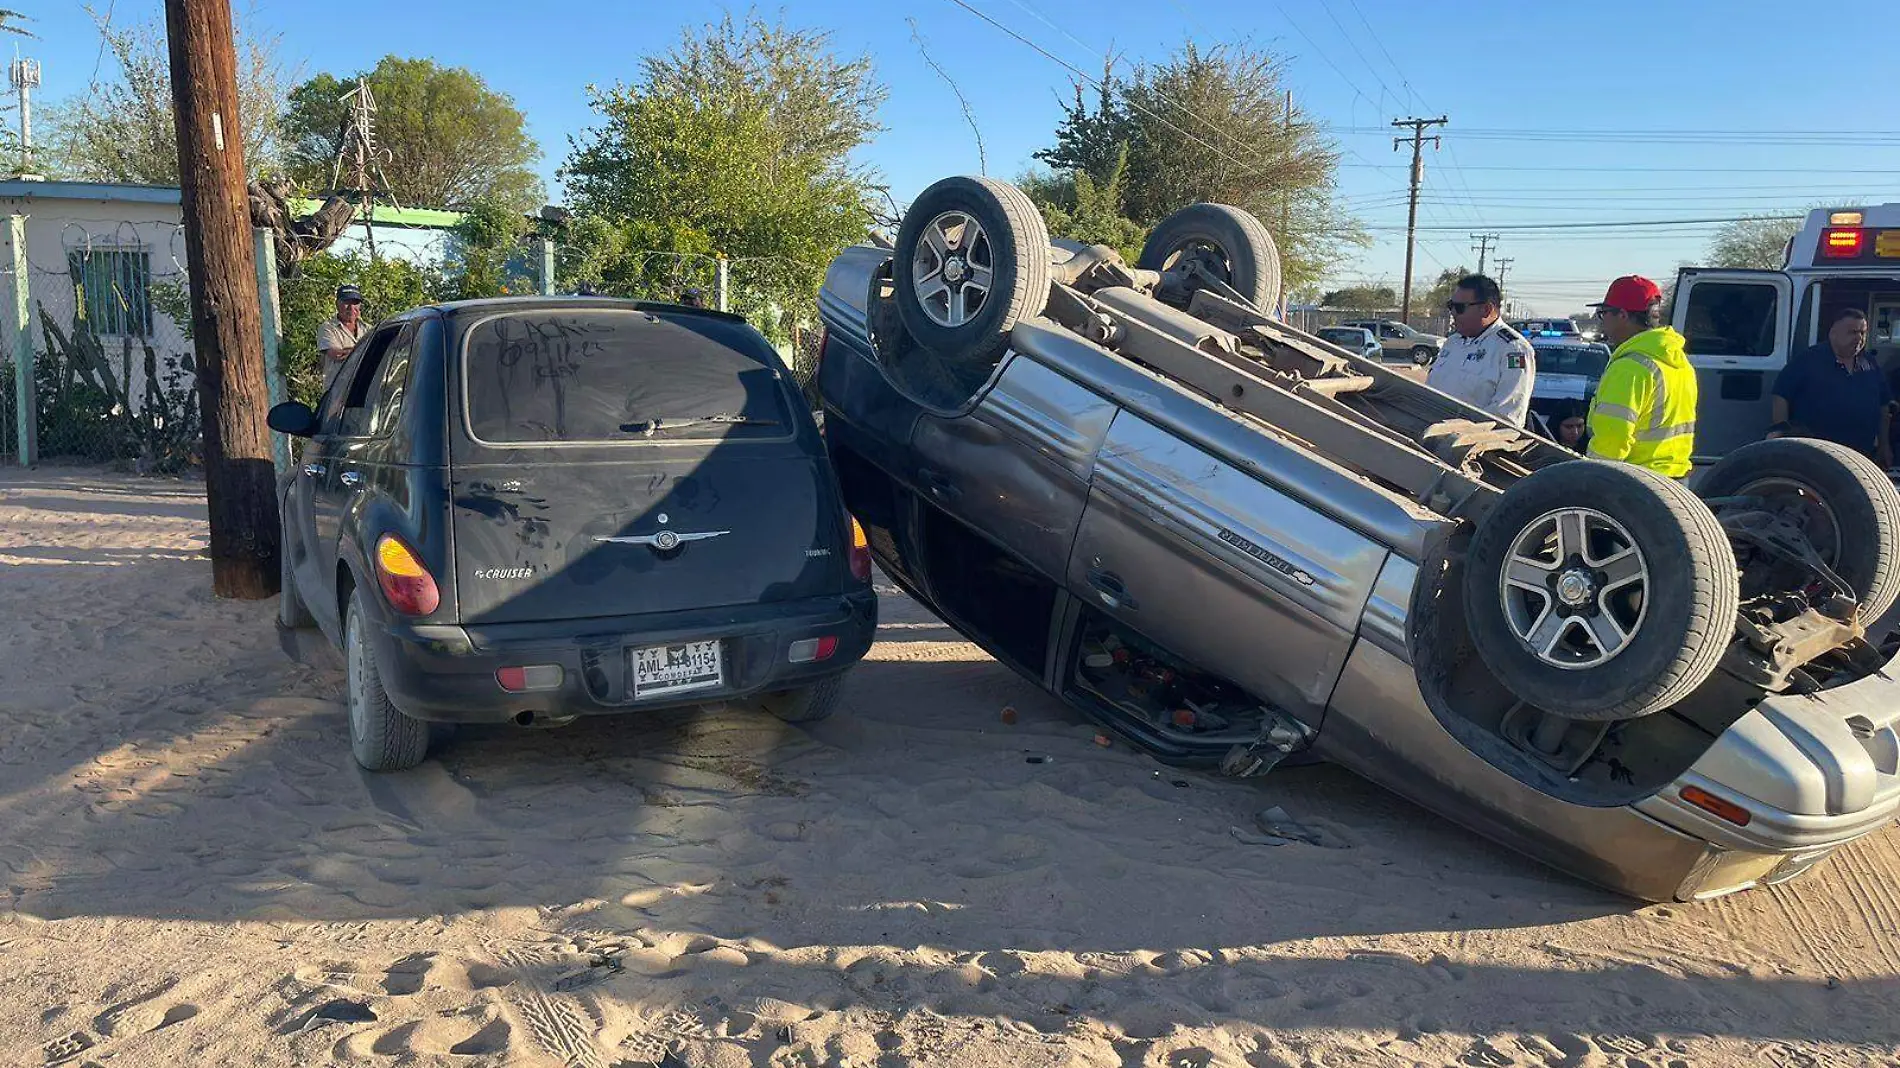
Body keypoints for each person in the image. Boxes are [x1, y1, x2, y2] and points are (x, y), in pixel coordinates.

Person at [1585, 275, 1697, 478]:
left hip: (1635, 484)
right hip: (1674, 482)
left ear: (1623, 315)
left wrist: (1588, 480)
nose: (1602, 322)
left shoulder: (1629, 368)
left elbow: (1611, 441)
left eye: (1604, 313)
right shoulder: (1680, 363)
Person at [1769, 308, 1893, 467]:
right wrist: (1781, 432)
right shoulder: (1808, 360)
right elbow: (1780, 395)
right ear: (1833, 333)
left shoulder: (1869, 363)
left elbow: (1884, 405)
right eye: (1852, 332)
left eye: (1862, 333)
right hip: (1817, 453)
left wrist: (1884, 445)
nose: (1858, 338)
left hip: (1861, 454)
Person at [1424, 273, 1535, 425]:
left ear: (1486, 309)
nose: (1453, 313)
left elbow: (1507, 415)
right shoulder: (1452, 342)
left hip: (1473, 443)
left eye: (1459, 307)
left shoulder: (1513, 349)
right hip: (1427, 434)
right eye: (1451, 306)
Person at [317, 284, 367, 391]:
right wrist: (368, 350)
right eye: (346, 302)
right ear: (337, 304)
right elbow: (338, 354)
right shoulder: (327, 328)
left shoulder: (368, 329)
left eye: (355, 303)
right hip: (338, 392)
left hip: (364, 390)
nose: (351, 307)